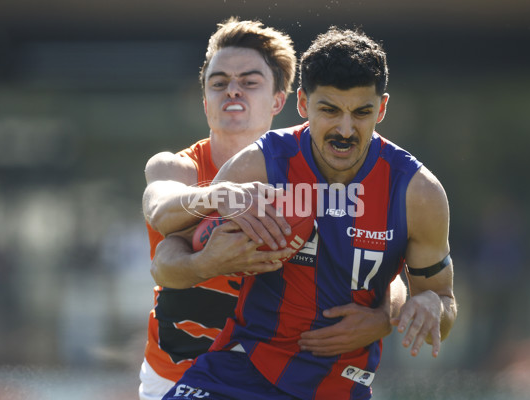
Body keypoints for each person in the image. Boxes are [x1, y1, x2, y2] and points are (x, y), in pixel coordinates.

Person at [161, 26, 457, 400]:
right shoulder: (261, 165)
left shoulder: (418, 192)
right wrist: (204, 263)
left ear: (381, 108)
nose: (345, 130)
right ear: (302, 103)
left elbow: (443, 306)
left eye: (362, 112)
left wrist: (426, 306)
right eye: (329, 110)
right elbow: (165, 261)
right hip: (240, 371)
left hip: (339, 386)